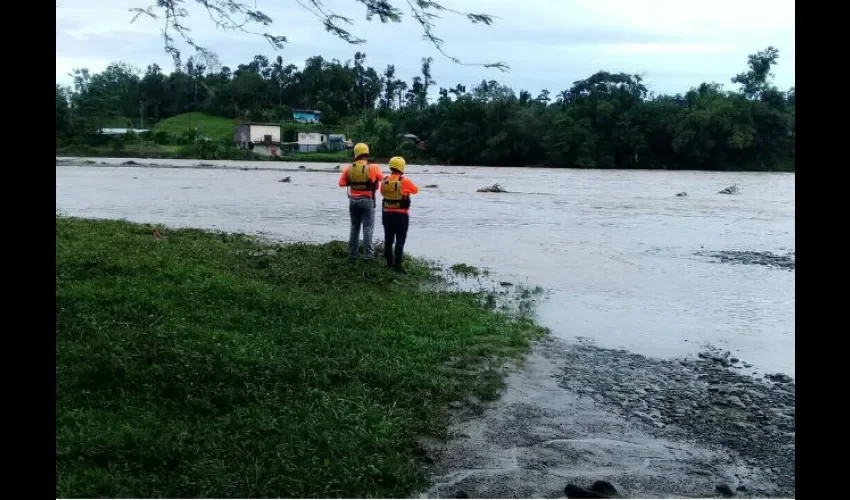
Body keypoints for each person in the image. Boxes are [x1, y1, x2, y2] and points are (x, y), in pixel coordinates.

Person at [338, 143, 385, 261]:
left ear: (356, 154)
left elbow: (341, 183)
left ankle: (352, 254)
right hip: (367, 201)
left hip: (353, 201)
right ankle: (368, 255)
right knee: (368, 228)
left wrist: (352, 180)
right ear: (366, 153)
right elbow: (382, 179)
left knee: (354, 227)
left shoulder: (348, 168)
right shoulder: (373, 168)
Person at [380, 156, 419, 273]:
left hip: (387, 215)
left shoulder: (384, 180)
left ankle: (389, 264)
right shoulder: (405, 181)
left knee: (388, 239)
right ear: (402, 167)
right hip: (401, 216)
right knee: (400, 240)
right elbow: (416, 190)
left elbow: (382, 192)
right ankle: (398, 265)